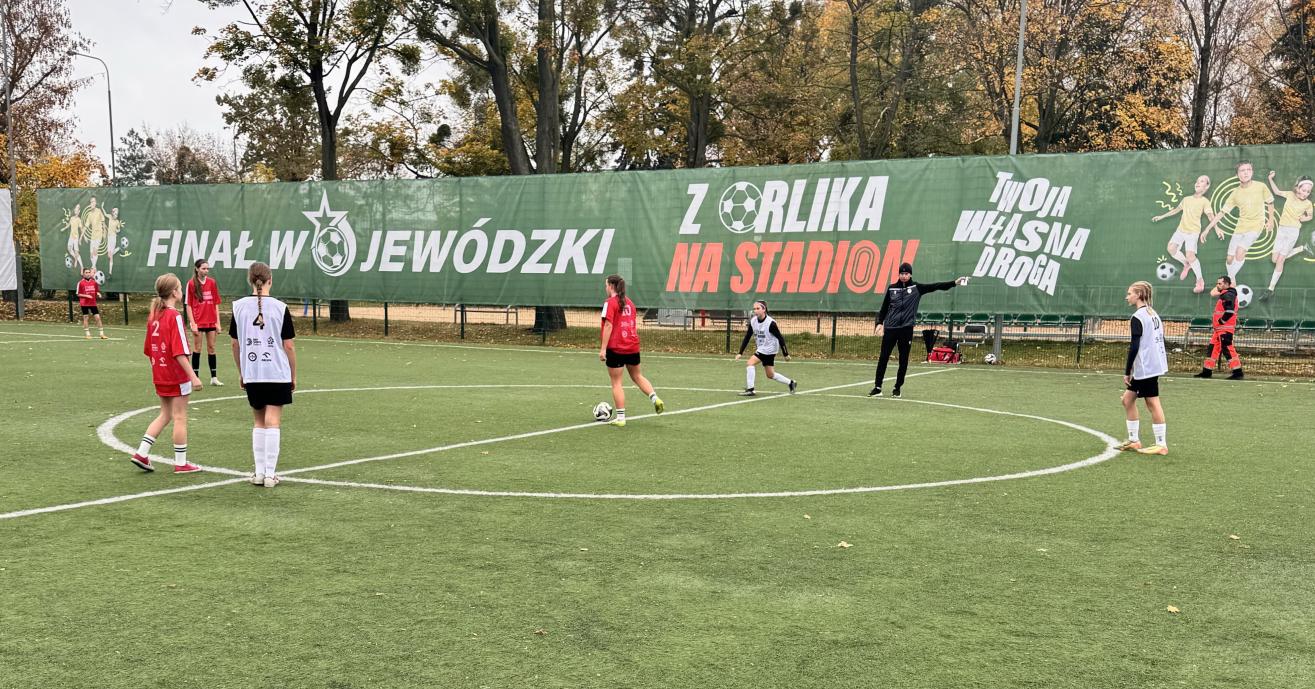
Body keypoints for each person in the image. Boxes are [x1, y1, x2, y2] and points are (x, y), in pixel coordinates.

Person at [229, 262, 297, 488]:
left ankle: (259, 473)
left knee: (259, 421)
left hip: (253, 373)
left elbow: (235, 345)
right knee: (273, 421)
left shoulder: (238, 307)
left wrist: (242, 372)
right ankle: (270, 474)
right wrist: (293, 375)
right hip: (277, 373)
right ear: (270, 280)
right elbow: (289, 346)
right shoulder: (280, 307)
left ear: (250, 280)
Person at [129, 273, 204, 474]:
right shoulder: (174, 316)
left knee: (165, 414)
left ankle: (141, 453)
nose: (181, 291)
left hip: (159, 374)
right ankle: (181, 463)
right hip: (176, 375)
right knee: (180, 417)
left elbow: (148, 349)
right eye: (180, 288)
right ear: (174, 292)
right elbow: (179, 351)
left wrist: (160, 366)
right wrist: (193, 376)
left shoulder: (154, 315)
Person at [869, 262, 969, 398]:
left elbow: (936, 286)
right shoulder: (892, 289)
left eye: (906, 273)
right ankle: (877, 387)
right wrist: (880, 323)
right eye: (902, 273)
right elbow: (884, 307)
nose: (904, 276)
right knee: (883, 358)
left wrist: (954, 283)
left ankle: (897, 388)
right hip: (891, 328)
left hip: (906, 329)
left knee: (903, 360)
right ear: (898, 274)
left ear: (910, 274)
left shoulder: (917, 288)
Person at [598, 274, 664, 427]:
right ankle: (655, 398)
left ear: (611, 286)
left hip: (616, 347)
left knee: (616, 383)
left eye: (606, 285)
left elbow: (608, 326)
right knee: (637, 376)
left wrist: (603, 349)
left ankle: (621, 418)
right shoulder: (630, 303)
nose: (605, 288)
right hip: (632, 345)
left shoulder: (609, 303)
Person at [1116, 281, 1170, 456]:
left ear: (1139, 295)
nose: (1127, 297)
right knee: (1127, 400)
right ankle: (1134, 440)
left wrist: (1127, 370)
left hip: (1147, 366)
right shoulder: (1152, 313)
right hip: (1150, 364)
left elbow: (1135, 346)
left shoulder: (1138, 316)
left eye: (1130, 293)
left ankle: (1161, 444)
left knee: (1152, 402)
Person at [1200, 161, 1275, 283]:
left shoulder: (1261, 186)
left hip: (1256, 225)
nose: (1246, 172)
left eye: (1248, 170)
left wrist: (1271, 221)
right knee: (1230, 259)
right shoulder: (1235, 193)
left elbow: (1270, 202)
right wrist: (1207, 229)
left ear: (1252, 172)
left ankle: (1228, 281)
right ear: (1237, 175)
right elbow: (1222, 213)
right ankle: (1232, 277)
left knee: (1240, 251)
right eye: (1242, 170)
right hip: (1240, 227)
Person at [1151, 174, 1214, 293]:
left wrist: (1217, 228)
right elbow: (1176, 210)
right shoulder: (1186, 199)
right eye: (1197, 181)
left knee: (1191, 255)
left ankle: (1200, 280)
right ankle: (1186, 264)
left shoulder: (1205, 202)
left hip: (1193, 232)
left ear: (1207, 186)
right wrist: (1161, 216)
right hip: (1181, 230)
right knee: (1171, 249)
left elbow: (1211, 216)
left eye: (1202, 181)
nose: (1198, 183)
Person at [1259, 172, 1313, 300]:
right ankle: (1301, 248)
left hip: (1293, 232)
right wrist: (1270, 179)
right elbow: (1277, 192)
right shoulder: (1290, 194)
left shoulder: (1308, 204)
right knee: (1274, 259)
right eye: (1303, 190)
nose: (1305, 193)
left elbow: (1310, 216)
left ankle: (1270, 289)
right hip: (1282, 229)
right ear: (1298, 188)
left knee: (1280, 261)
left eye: (1308, 191)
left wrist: (1304, 218)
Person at [734, 300, 796, 396]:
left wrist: (786, 354)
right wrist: (740, 352)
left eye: (758, 308)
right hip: (763, 348)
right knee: (770, 375)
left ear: (764, 310)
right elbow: (747, 336)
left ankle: (751, 389)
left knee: (750, 363)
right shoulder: (753, 321)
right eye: (754, 308)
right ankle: (791, 382)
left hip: (769, 349)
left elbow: (780, 338)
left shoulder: (771, 323)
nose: (755, 310)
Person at [1194, 276, 1243, 379]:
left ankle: (1238, 372)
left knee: (1227, 348)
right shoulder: (1226, 294)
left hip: (1225, 328)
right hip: (1220, 329)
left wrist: (1221, 321)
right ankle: (1207, 371)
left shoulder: (1228, 295)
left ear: (1226, 284)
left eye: (1220, 284)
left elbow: (1229, 311)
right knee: (1212, 349)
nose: (1217, 285)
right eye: (1217, 283)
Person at [185, 259, 225, 386]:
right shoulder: (191, 284)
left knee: (211, 348)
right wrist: (193, 323)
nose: (206, 271)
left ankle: (214, 378)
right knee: (197, 348)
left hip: (211, 322)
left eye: (207, 268)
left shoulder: (212, 283)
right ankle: (195, 377)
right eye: (203, 268)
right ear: (197, 269)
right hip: (198, 321)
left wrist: (217, 323)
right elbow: (189, 305)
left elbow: (216, 303)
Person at [76, 267, 107, 340]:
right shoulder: (80, 283)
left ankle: (102, 334)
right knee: (86, 317)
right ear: (83, 274)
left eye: (89, 272)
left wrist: (98, 294)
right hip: (84, 303)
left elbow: (96, 291)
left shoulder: (94, 282)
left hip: (93, 303)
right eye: (86, 272)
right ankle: (87, 334)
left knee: (97, 318)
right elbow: (78, 294)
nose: (88, 274)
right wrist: (86, 296)